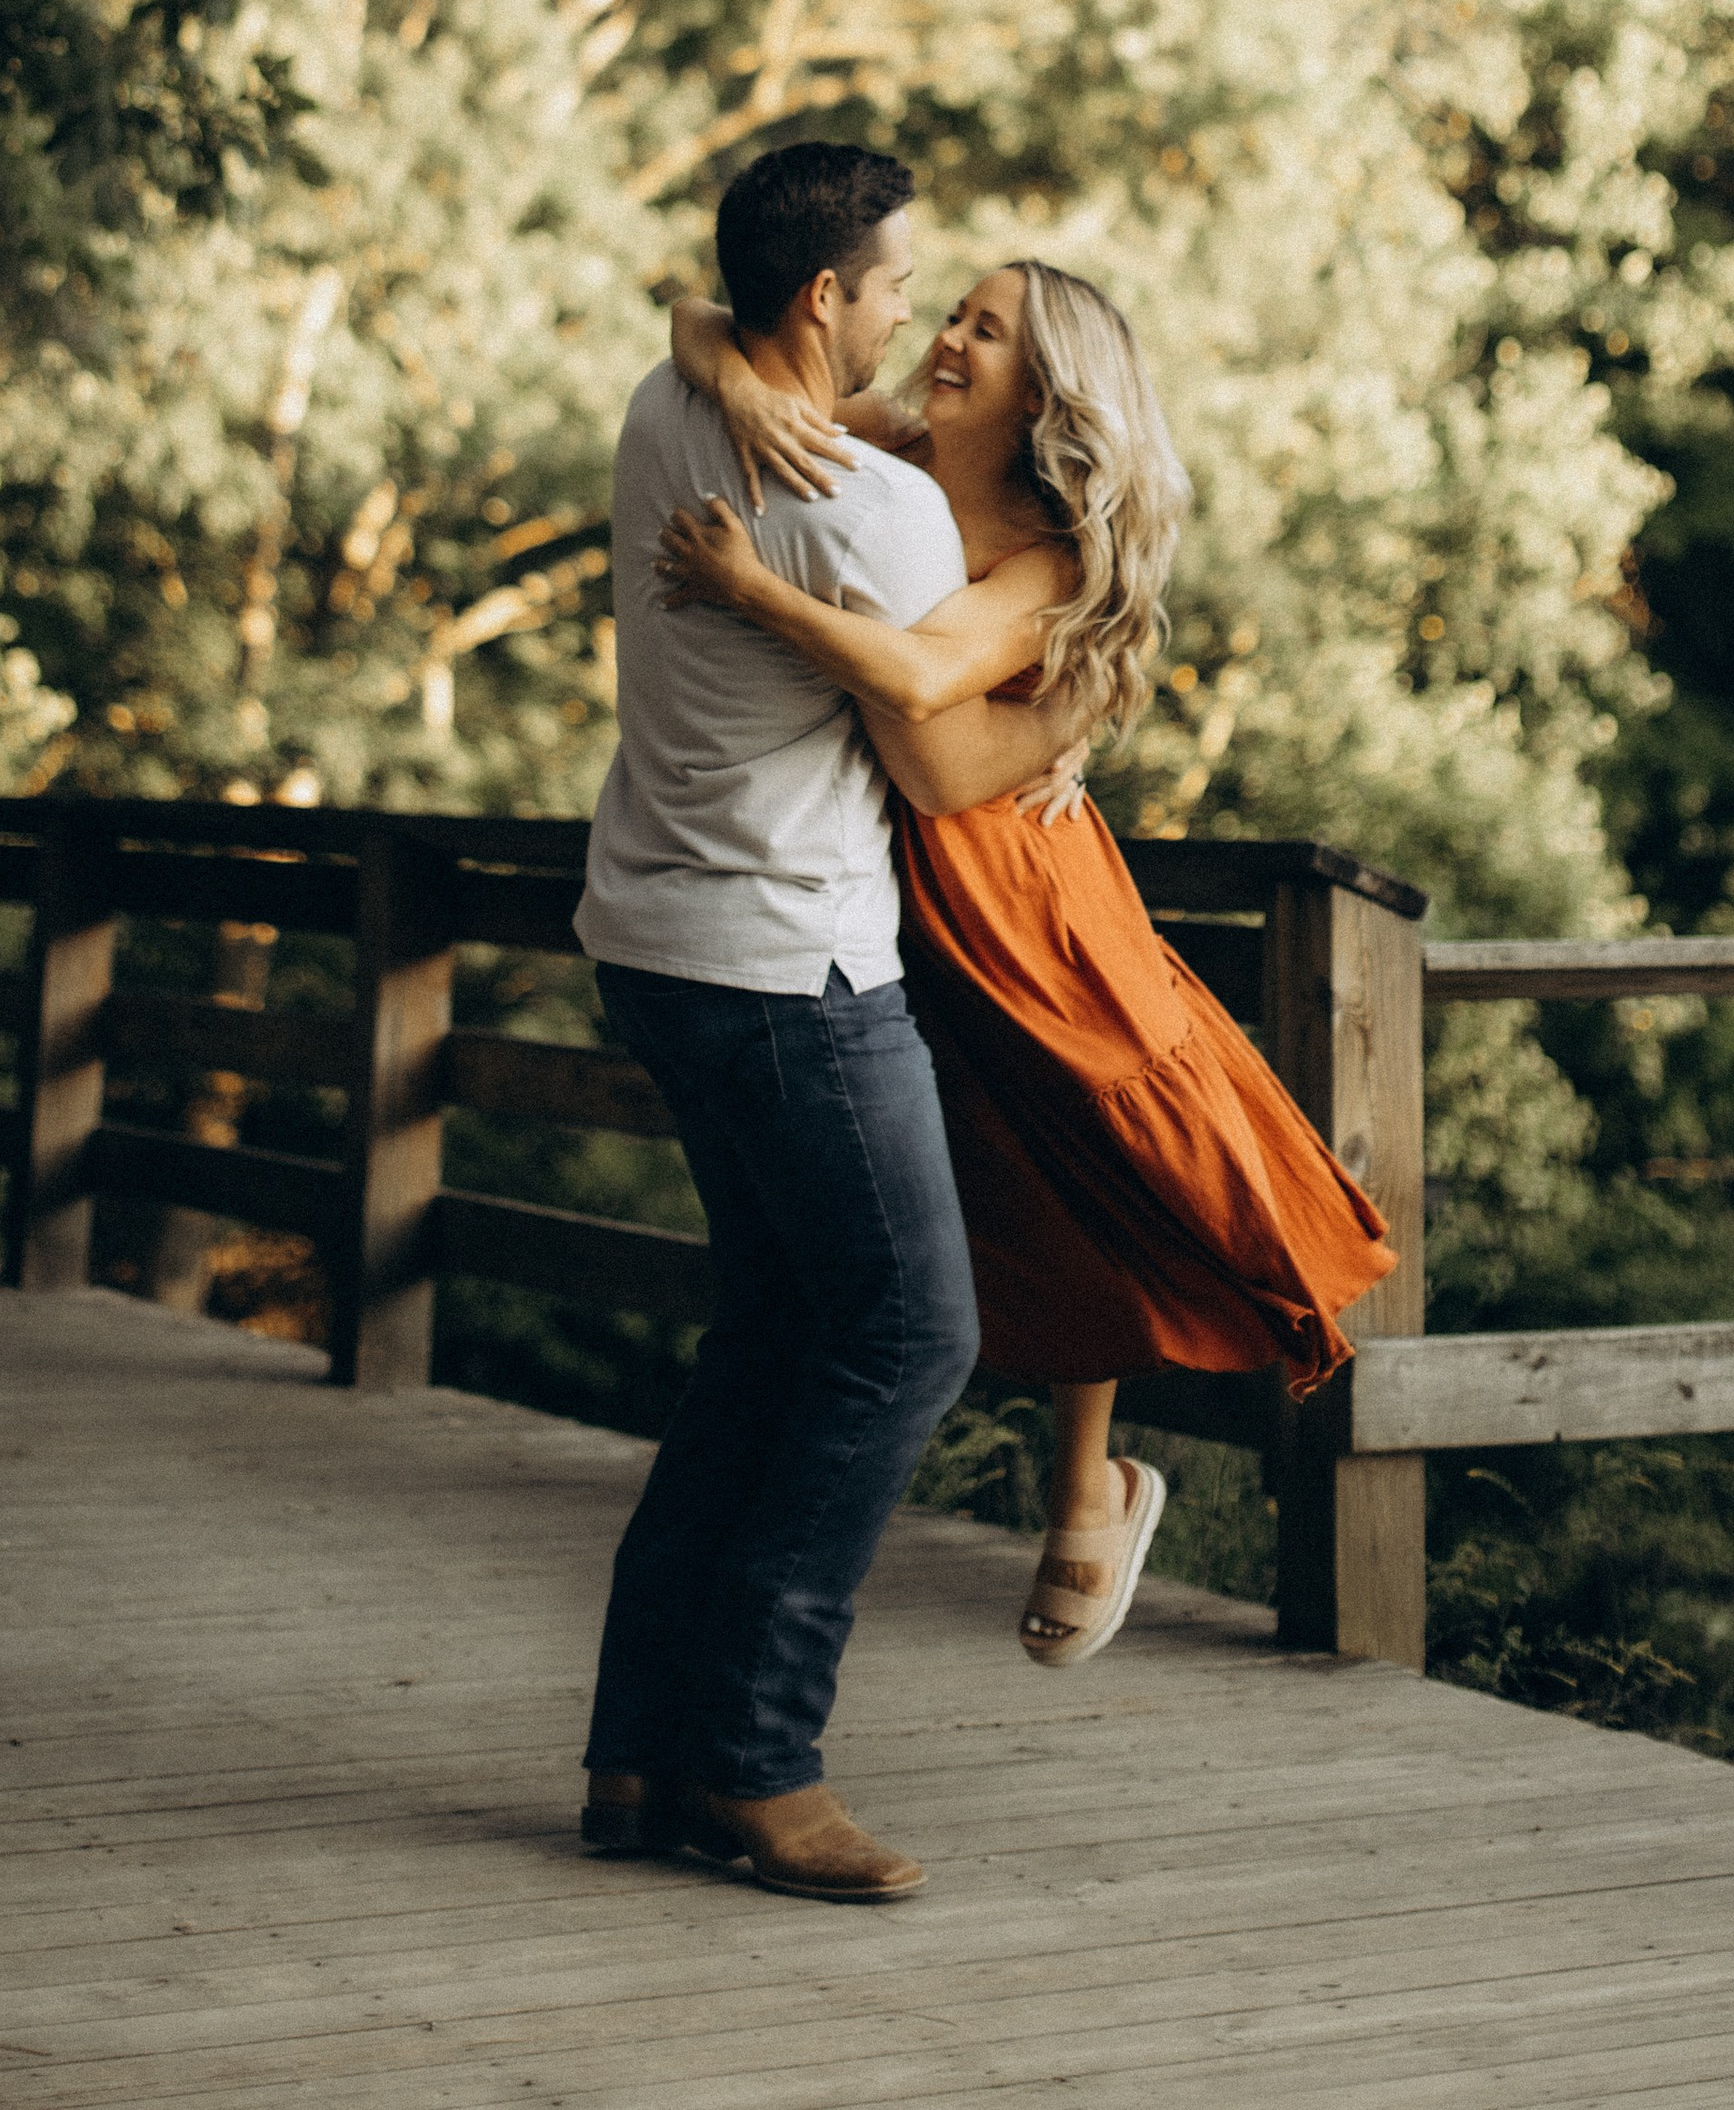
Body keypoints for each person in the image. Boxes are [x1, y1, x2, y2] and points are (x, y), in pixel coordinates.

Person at [658, 254, 1400, 1669]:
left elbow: (931, 700)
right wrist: (742, 392)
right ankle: (1086, 1485)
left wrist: (747, 589)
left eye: (983, 332)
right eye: (948, 315)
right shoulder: (892, 440)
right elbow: (697, 317)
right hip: (906, 877)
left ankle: (1091, 1484)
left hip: (1017, 885)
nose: (944, 341)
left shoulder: (1048, 548)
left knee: (1095, 1131)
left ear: (1046, 387)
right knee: (997, 1157)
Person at [573, 145, 1086, 1904]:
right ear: (824, 300)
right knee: (910, 1336)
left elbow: (697, 324)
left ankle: (641, 1751)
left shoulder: (665, 406)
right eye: (893, 288)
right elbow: (943, 755)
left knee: (774, 1336)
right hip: (791, 972)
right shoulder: (879, 522)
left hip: (650, 939)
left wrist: (713, 345)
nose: (909, 317)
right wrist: (1082, 726)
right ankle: (756, 1764)